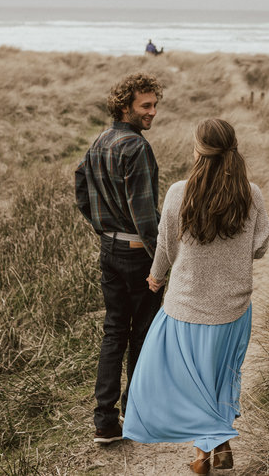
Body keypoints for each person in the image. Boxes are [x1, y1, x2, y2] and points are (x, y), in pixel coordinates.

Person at [123, 118, 269, 474]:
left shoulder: (178, 192)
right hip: (233, 308)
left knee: (183, 382)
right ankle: (218, 447)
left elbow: (166, 245)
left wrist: (156, 278)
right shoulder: (251, 194)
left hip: (185, 307)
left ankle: (206, 454)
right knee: (220, 379)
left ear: (199, 151)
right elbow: (261, 247)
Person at [75, 73, 165, 445]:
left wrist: (101, 225)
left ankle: (104, 422)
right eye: (146, 105)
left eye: (155, 105)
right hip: (137, 255)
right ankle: (136, 412)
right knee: (141, 333)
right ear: (125, 106)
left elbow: (81, 189)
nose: (153, 112)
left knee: (114, 331)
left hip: (108, 250)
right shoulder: (136, 148)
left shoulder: (98, 142)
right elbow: (145, 217)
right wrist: (164, 259)